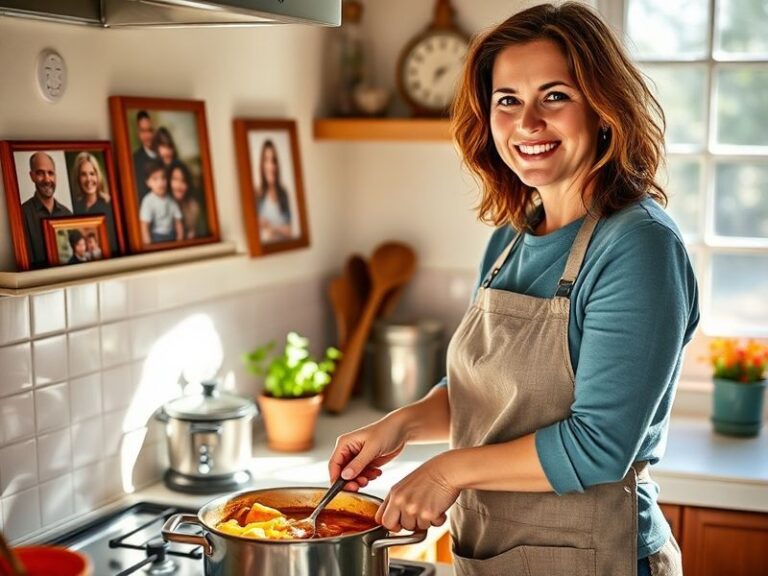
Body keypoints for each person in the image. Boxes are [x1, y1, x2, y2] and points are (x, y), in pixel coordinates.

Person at [328, 4, 699, 576]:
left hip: (600, 558)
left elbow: (598, 446)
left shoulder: (639, 247)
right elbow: (489, 394)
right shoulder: (512, 234)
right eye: (508, 100)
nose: (527, 123)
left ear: (603, 108)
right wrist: (398, 424)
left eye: (554, 96)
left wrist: (447, 470)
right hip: (493, 552)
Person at [21, 151, 72, 268]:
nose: (47, 179)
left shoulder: (67, 214)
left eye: (50, 173)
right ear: (32, 176)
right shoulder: (22, 214)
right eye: (40, 173)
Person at [70, 151, 118, 254]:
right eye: (83, 174)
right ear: (78, 178)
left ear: (98, 176)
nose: (88, 179)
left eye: (92, 173)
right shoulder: (74, 207)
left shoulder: (109, 205)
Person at [256, 139, 293, 242]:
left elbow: (289, 231)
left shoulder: (283, 194)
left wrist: (271, 228)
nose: (270, 166)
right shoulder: (257, 195)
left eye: (273, 161)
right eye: (266, 160)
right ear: (262, 165)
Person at [139, 159, 183, 244]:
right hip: (157, 237)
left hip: (171, 234)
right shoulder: (148, 201)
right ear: (148, 182)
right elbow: (144, 226)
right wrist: (148, 244)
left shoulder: (170, 199)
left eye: (163, 178)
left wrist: (180, 239)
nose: (160, 182)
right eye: (155, 179)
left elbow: (178, 222)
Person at [169, 162, 207, 239]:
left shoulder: (193, 207)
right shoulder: (161, 203)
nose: (179, 185)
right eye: (175, 179)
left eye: (183, 181)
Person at [133, 110, 156, 200]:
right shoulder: (135, 160)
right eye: (143, 131)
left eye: (150, 130)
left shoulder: (164, 154)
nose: (147, 135)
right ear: (138, 133)